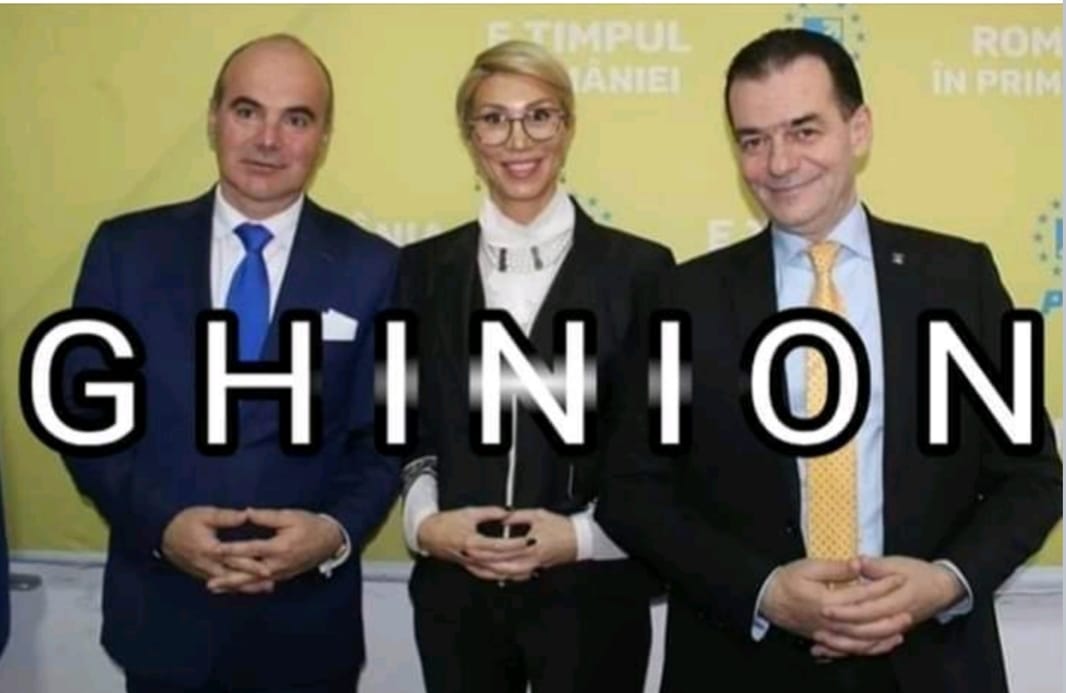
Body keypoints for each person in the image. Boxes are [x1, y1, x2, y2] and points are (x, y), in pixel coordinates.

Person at [597, 28, 1062, 693]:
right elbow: (633, 491)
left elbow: (1032, 477)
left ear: (858, 129)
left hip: (930, 665)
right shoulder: (680, 298)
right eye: (753, 140)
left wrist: (944, 581)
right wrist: (763, 590)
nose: (779, 162)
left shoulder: (961, 280)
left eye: (804, 130)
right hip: (740, 666)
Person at [59, 34, 399, 692]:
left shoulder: (374, 267)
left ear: (323, 137)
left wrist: (330, 532)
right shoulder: (124, 251)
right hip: (163, 617)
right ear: (213, 117)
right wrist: (161, 526)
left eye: (296, 118)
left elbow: (384, 439)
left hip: (306, 627)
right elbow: (85, 419)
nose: (268, 139)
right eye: (248, 111)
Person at [398, 40, 674, 693]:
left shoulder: (643, 272)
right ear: (469, 135)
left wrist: (580, 537)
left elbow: (662, 440)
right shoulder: (420, 271)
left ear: (568, 127)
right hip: (456, 605)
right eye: (494, 119)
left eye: (539, 116)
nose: (518, 140)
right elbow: (404, 424)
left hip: (593, 601)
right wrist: (428, 525)